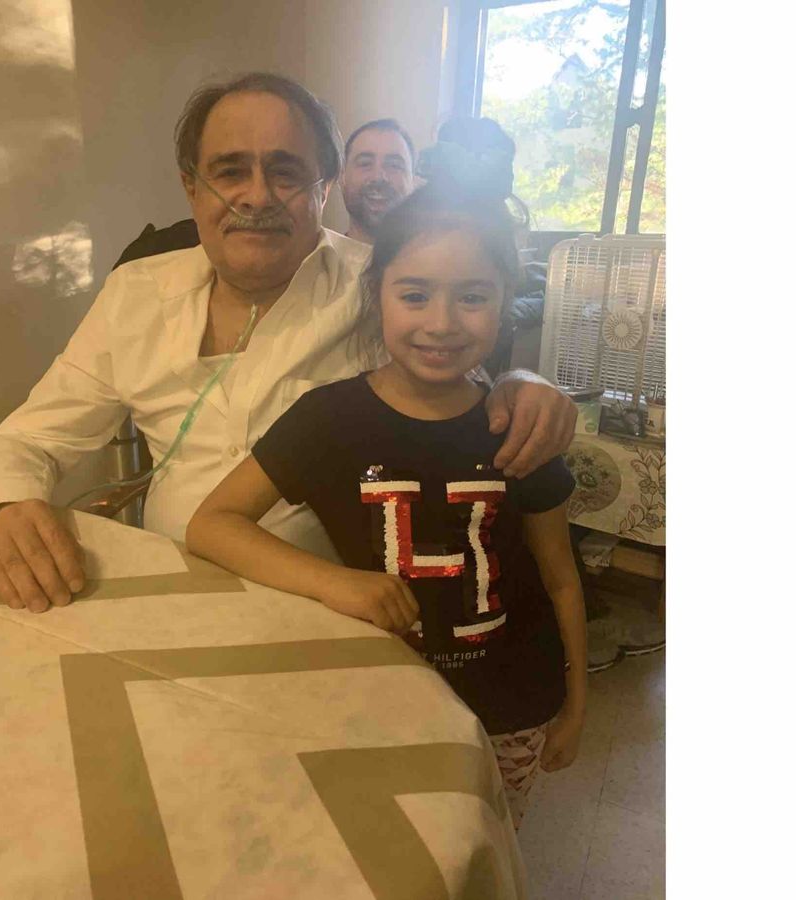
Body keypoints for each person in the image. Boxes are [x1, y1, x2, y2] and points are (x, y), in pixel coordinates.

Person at [0, 72, 577, 615]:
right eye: (230, 172)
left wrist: (521, 383)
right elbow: (30, 437)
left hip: (338, 607)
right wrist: (3, 505)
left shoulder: (378, 287)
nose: (257, 196)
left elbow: (454, 373)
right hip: (172, 596)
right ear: (192, 189)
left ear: (325, 188)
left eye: (286, 173)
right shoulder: (135, 294)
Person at [186, 147, 587, 829]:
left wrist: (577, 704)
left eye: (473, 297)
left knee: (485, 839)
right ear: (378, 295)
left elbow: (561, 579)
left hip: (513, 704)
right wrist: (335, 583)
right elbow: (212, 524)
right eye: (415, 294)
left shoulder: (521, 427)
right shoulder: (328, 419)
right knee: (396, 839)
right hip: (380, 693)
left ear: (504, 303)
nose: (442, 322)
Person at [340, 118, 416, 244]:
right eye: (365, 164)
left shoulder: (440, 257)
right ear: (342, 177)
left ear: (413, 181)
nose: (378, 177)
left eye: (394, 165)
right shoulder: (315, 257)